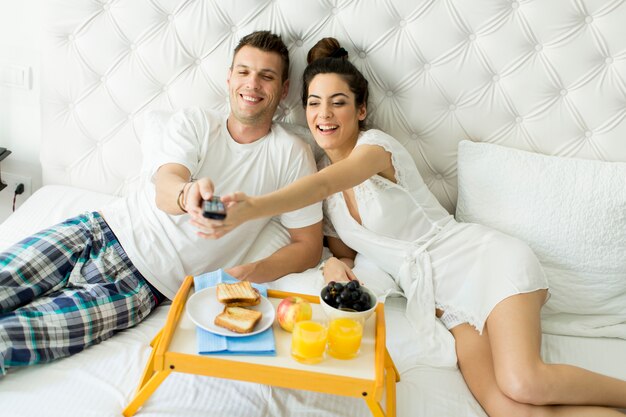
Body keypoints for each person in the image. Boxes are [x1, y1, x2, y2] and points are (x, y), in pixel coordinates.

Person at [196, 37, 626, 416]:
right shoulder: (327, 196)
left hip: (487, 264)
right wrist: (332, 266)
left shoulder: (376, 148)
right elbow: (347, 251)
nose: (323, 114)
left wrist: (252, 207)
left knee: (524, 382)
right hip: (448, 305)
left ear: (361, 109)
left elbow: (328, 180)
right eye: (313, 102)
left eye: (338, 101)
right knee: (508, 409)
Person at [0, 30, 323, 376]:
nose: (252, 84)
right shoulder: (197, 123)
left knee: (7, 340)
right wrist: (188, 196)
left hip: (140, 287)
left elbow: (308, 246)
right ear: (229, 78)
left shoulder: (291, 155)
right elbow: (166, 185)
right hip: (98, 230)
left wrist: (245, 274)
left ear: (284, 89)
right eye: (243, 72)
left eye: (266, 76)